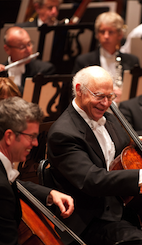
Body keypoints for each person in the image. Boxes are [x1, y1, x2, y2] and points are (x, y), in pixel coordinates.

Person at [47, 65, 142, 245]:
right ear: (79, 91)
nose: (106, 103)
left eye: (110, 96)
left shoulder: (110, 117)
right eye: (99, 96)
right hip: (93, 221)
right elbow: (93, 180)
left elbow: (122, 152)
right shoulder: (63, 134)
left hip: (126, 210)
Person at [0, 96, 74, 245]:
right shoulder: (2, 190)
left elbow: (14, 183)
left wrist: (49, 193)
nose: (36, 143)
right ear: (9, 136)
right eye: (32, 136)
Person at [72, 12, 139, 103]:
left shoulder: (132, 61)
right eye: (102, 32)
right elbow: (76, 94)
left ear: (120, 35)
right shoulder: (84, 61)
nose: (106, 36)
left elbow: (137, 95)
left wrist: (124, 96)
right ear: (97, 35)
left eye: (111, 32)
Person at [0, 26, 56, 95]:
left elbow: (32, 96)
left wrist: (8, 81)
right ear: (7, 49)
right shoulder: (1, 72)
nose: (28, 50)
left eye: (29, 44)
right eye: (22, 47)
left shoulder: (44, 70)